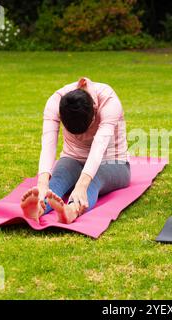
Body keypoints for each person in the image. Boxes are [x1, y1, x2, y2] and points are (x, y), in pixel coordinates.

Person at [20, 77, 130, 224]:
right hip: (73, 158)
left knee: (94, 180)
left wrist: (82, 184)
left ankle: (72, 210)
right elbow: (49, 143)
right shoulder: (55, 102)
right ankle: (39, 208)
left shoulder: (109, 102)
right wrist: (42, 183)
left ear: (94, 111)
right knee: (57, 181)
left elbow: (99, 145)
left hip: (112, 161)